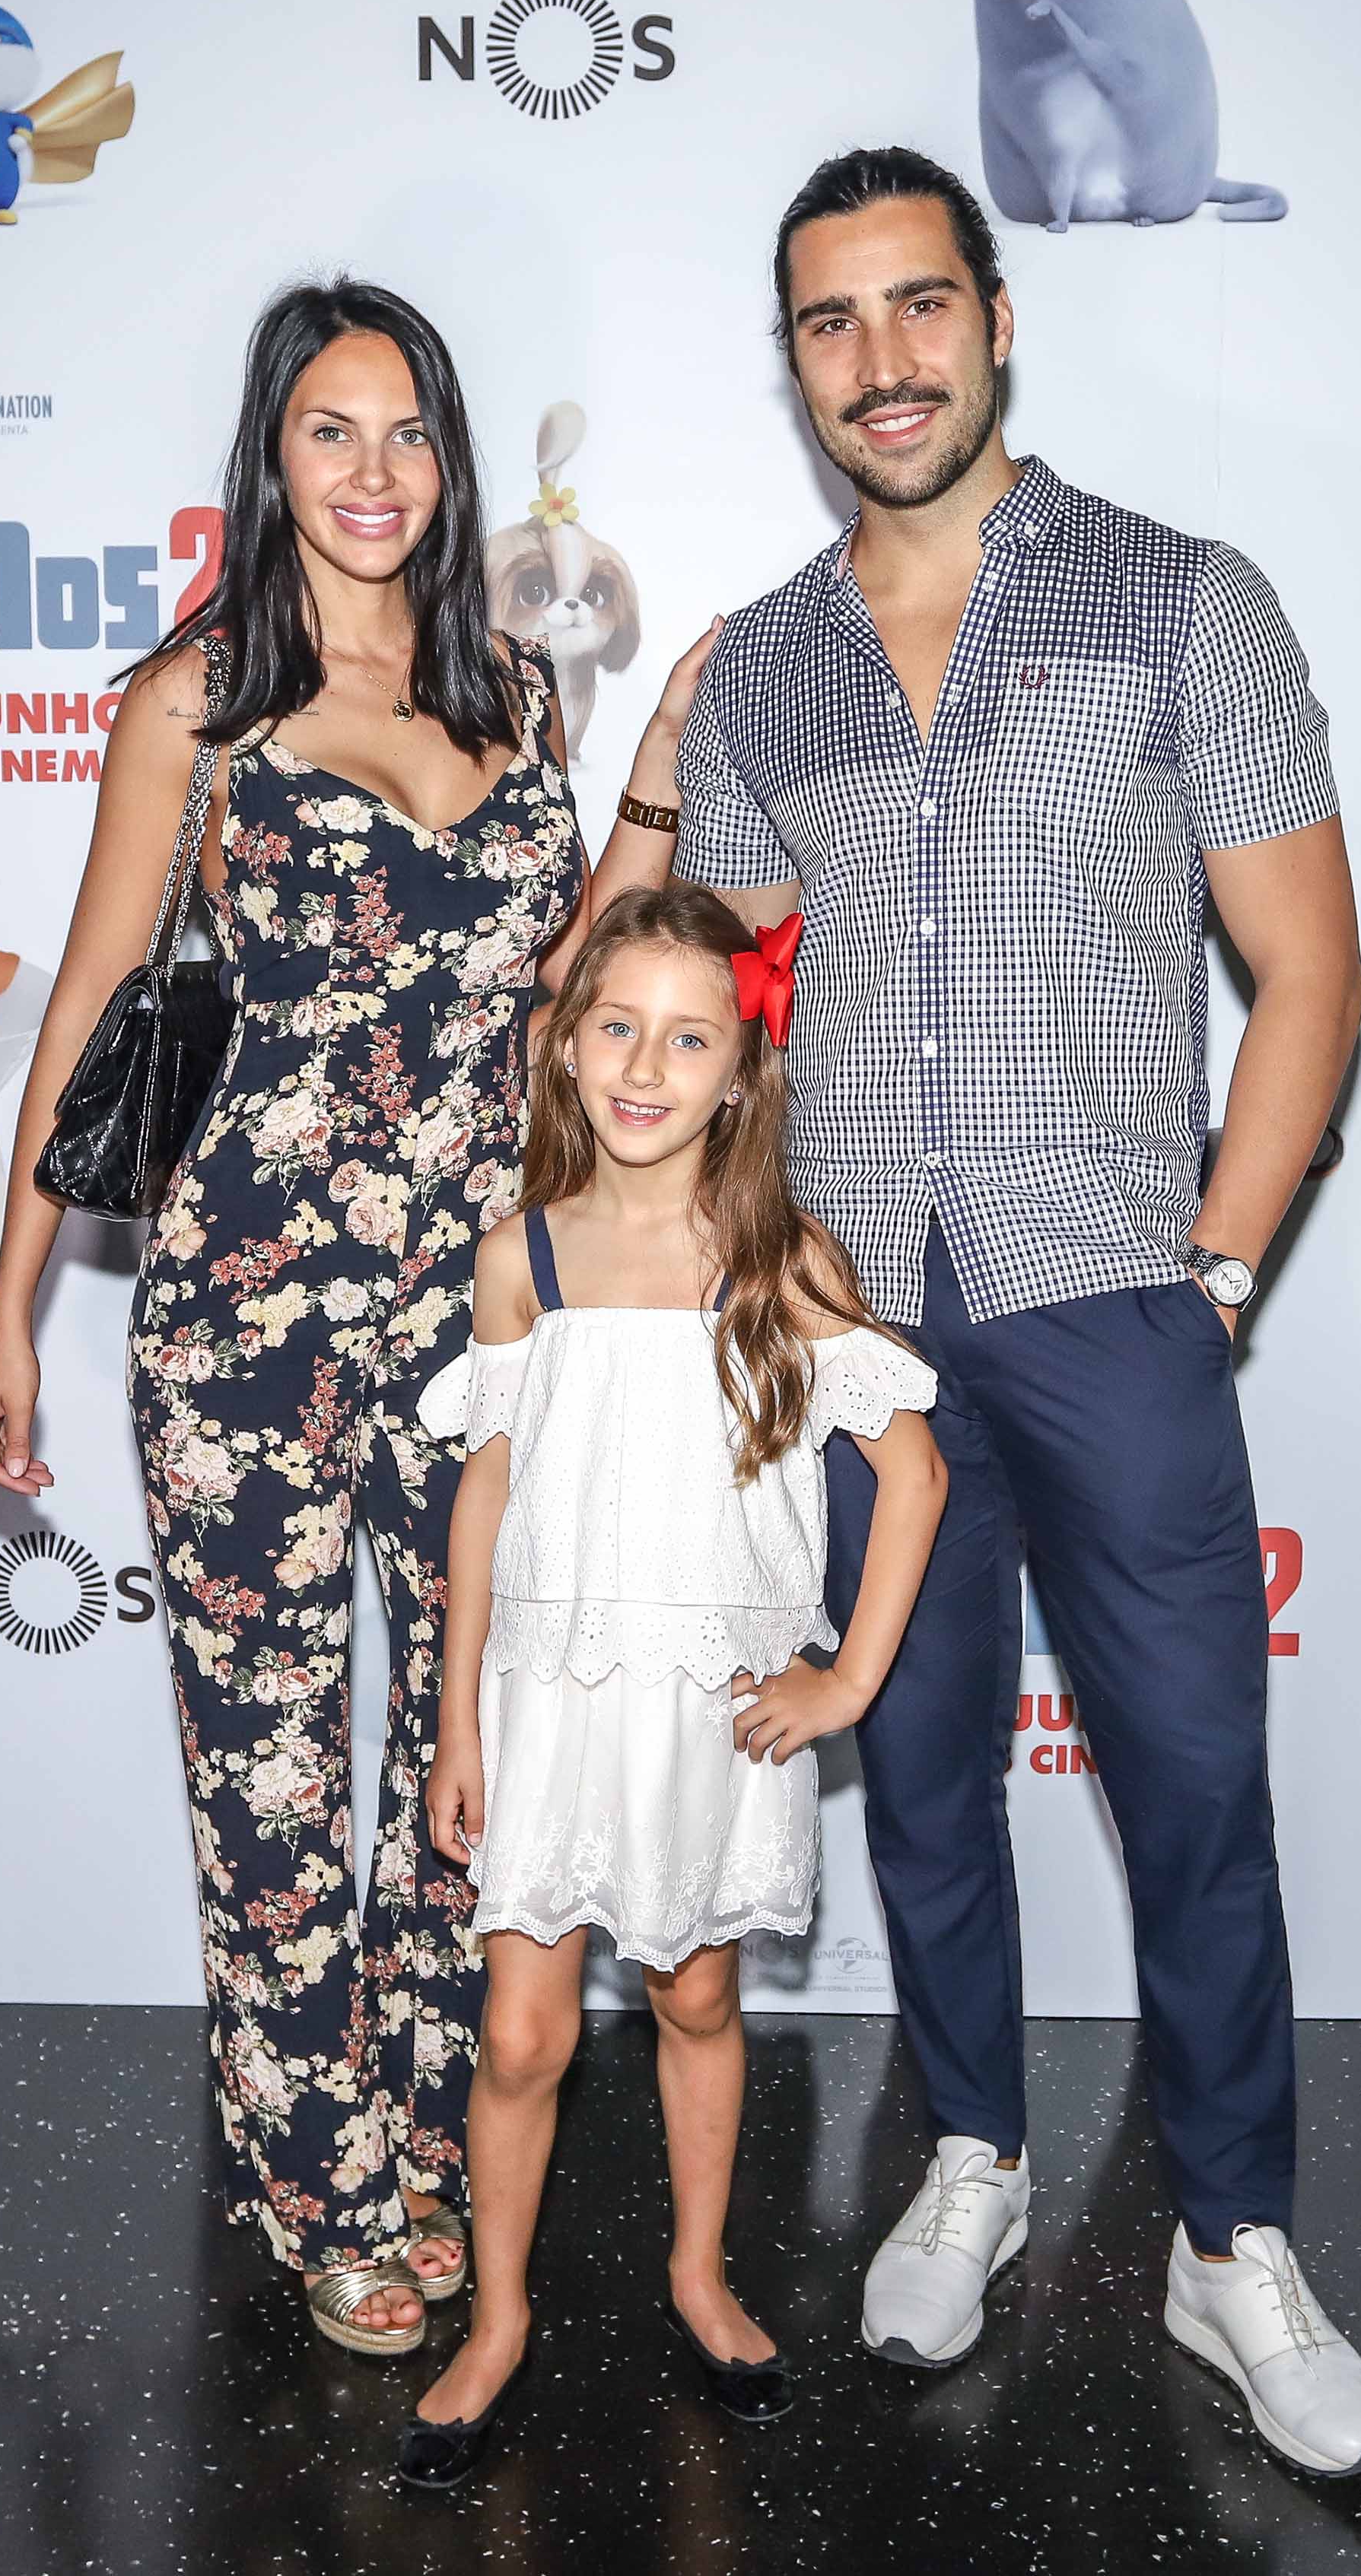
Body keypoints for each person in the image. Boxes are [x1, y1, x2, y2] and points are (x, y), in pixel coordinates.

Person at [673, 148, 1361, 2479]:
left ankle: (1233, 2242)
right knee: (919, 1776)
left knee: (1194, 1794)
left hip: (1115, 1305)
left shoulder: (1182, 599)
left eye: (916, 306)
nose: (878, 360)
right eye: (829, 321)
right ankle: (970, 2153)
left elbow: (1306, 977)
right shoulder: (763, 660)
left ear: (995, 319)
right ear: (793, 361)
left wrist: (1216, 1273)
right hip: (861, 1333)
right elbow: (714, 1006)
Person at [0, 278, 717, 2355]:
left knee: (471, 1737)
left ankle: (421, 2117)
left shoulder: (516, 692)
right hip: (248, 1306)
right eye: (330, 431)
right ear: (271, 456)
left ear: (448, 463)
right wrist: (10, 1314)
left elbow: (557, 990)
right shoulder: (194, 702)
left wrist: (652, 767)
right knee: (271, 1758)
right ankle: (321, 2180)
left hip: (482, 1308)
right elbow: (92, 1007)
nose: (372, 473)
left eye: (407, 434)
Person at [397, 883, 946, 2491]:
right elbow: (486, 1488)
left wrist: (846, 1677)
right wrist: (456, 1718)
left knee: (697, 1999)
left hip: (713, 1706)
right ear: (567, 1048)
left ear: (739, 1069)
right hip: (552, 1696)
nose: (646, 1066)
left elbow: (909, 1475)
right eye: (617, 1027)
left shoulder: (779, 1258)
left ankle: (698, 2275)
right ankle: (497, 2320)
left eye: (688, 1037)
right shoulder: (522, 1257)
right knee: (519, 2036)